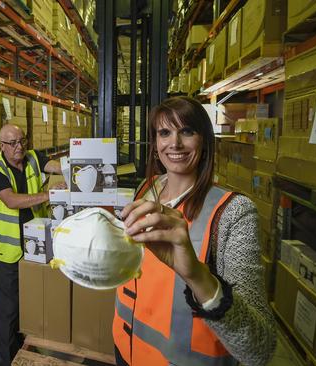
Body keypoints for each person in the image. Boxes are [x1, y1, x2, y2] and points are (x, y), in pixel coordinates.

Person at [113, 96, 276, 366]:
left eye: (187, 131)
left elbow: (258, 350)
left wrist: (197, 275)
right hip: (125, 350)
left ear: (204, 141)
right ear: (155, 144)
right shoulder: (147, 187)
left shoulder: (233, 213)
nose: (174, 143)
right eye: (165, 132)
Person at [0, 124, 61, 366]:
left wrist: (81, 164)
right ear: (1, 146)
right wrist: (49, 195)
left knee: (30, 299)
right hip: (8, 249)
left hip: (35, 242)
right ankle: (7, 359)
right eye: (12, 143)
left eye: (22, 140)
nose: (19, 147)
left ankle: (24, 345)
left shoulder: (33, 158)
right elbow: (11, 201)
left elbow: (58, 166)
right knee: (9, 309)